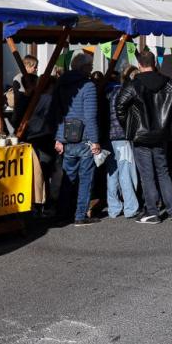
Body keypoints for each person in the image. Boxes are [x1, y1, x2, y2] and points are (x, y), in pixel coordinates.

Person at [115, 50, 172, 224]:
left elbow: (119, 106)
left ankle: (152, 211)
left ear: (140, 65)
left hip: (141, 135)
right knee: (163, 172)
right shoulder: (170, 83)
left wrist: (130, 126)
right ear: (154, 63)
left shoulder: (133, 85)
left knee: (147, 174)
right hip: (162, 134)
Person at [53, 53, 100, 226]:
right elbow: (90, 116)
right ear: (84, 68)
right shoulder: (88, 85)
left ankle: (62, 212)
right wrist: (95, 140)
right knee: (86, 178)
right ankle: (80, 215)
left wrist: (59, 138)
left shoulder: (61, 83)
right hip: (85, 137)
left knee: (68, 177)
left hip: (66, 136)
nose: (92, 69)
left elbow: (57, 113)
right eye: (90, 66)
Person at [17, 72, 57, 214]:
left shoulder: (28, 98)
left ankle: (37, 203)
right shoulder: (47, 99)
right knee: (44, 171)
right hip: (43, 137)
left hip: (30, 137)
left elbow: (17, 118)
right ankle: (43, 203)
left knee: (37, 171)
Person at [104, 70, 140, 219]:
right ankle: (130, 207)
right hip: (122, 136)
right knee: (126, 171)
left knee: (112, 173)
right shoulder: (124, 92)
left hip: (108, 136)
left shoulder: (106, 93)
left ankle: (113, 208)